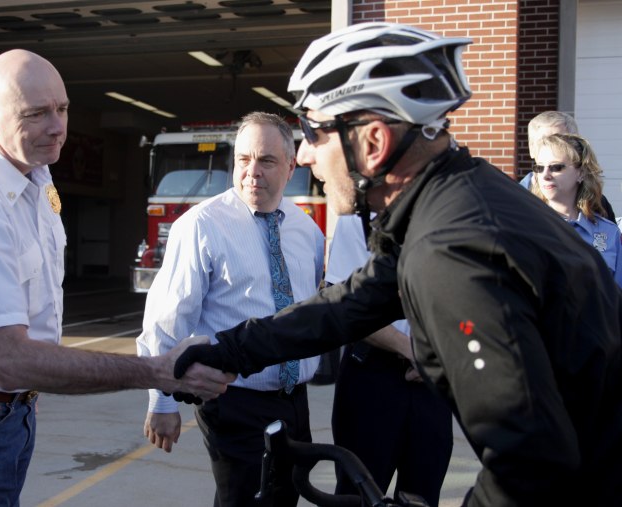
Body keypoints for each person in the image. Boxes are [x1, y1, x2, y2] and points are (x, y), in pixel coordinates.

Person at [173, 22, 622, 506]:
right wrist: (227, 349)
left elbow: (529, 464)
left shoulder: (452, 251)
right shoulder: (455, 199)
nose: (303, 156)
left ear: (373, 143)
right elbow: (350, 303)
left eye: (312, 131)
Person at [0, 49, 234, 507]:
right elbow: (8, 359)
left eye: (61, 109)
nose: (57, 127)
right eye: (36, 113)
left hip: (6, 413)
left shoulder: (35, 173)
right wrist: (158, 371)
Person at [136, 111, 324, 507]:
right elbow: (167, 319)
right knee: (244, 499)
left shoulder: (308, 232)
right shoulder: (201, 226)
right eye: (243, 159)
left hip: (295, 400)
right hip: (232, 400)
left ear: (290, 167)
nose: (252, 171)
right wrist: (163, 400)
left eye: (266, 161)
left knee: (285, 496)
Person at [326, 214, 452, 506]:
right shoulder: (356, 220)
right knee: (359, 496)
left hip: (432, 378)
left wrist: (442, 351)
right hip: (371, 373)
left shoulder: (449, 212)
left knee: (422, 496)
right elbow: (345, 307)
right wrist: (412, 350)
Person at [531, 133, 622, 286]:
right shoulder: (526, 226)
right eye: (539, 168)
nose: (545, 175)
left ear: (581, 173)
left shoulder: (608, 232)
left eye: (556, 167)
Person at [520, 110, 616, 218]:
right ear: (531, 149)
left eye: (560, 141)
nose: (550, 147)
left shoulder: (597, 204)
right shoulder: (516, 200)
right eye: (544, 142)